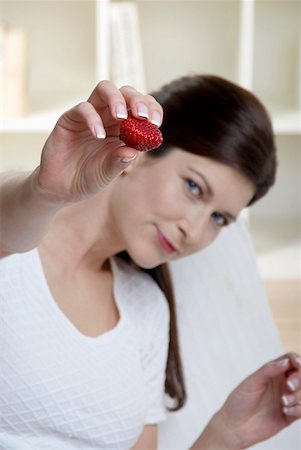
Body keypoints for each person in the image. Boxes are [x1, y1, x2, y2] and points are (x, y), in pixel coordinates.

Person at [0, 75, 300, 450]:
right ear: (139, 150)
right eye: (193, 187)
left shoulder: (146, 311)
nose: (193, 230)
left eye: (218, 219)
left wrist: (227, 433)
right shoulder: (13, 232)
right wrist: (43, 191)